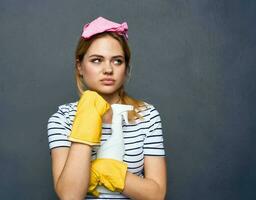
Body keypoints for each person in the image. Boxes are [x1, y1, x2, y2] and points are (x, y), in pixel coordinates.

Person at [47, 16, 167, 200]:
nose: (108, 69)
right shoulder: (62, 119)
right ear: (80, 66)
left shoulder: (147, 115)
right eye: (97, 60)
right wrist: (87, 115)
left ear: (126, 67)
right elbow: (70, 196)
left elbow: (156, 194)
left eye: (117, 61)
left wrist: (105, 170)